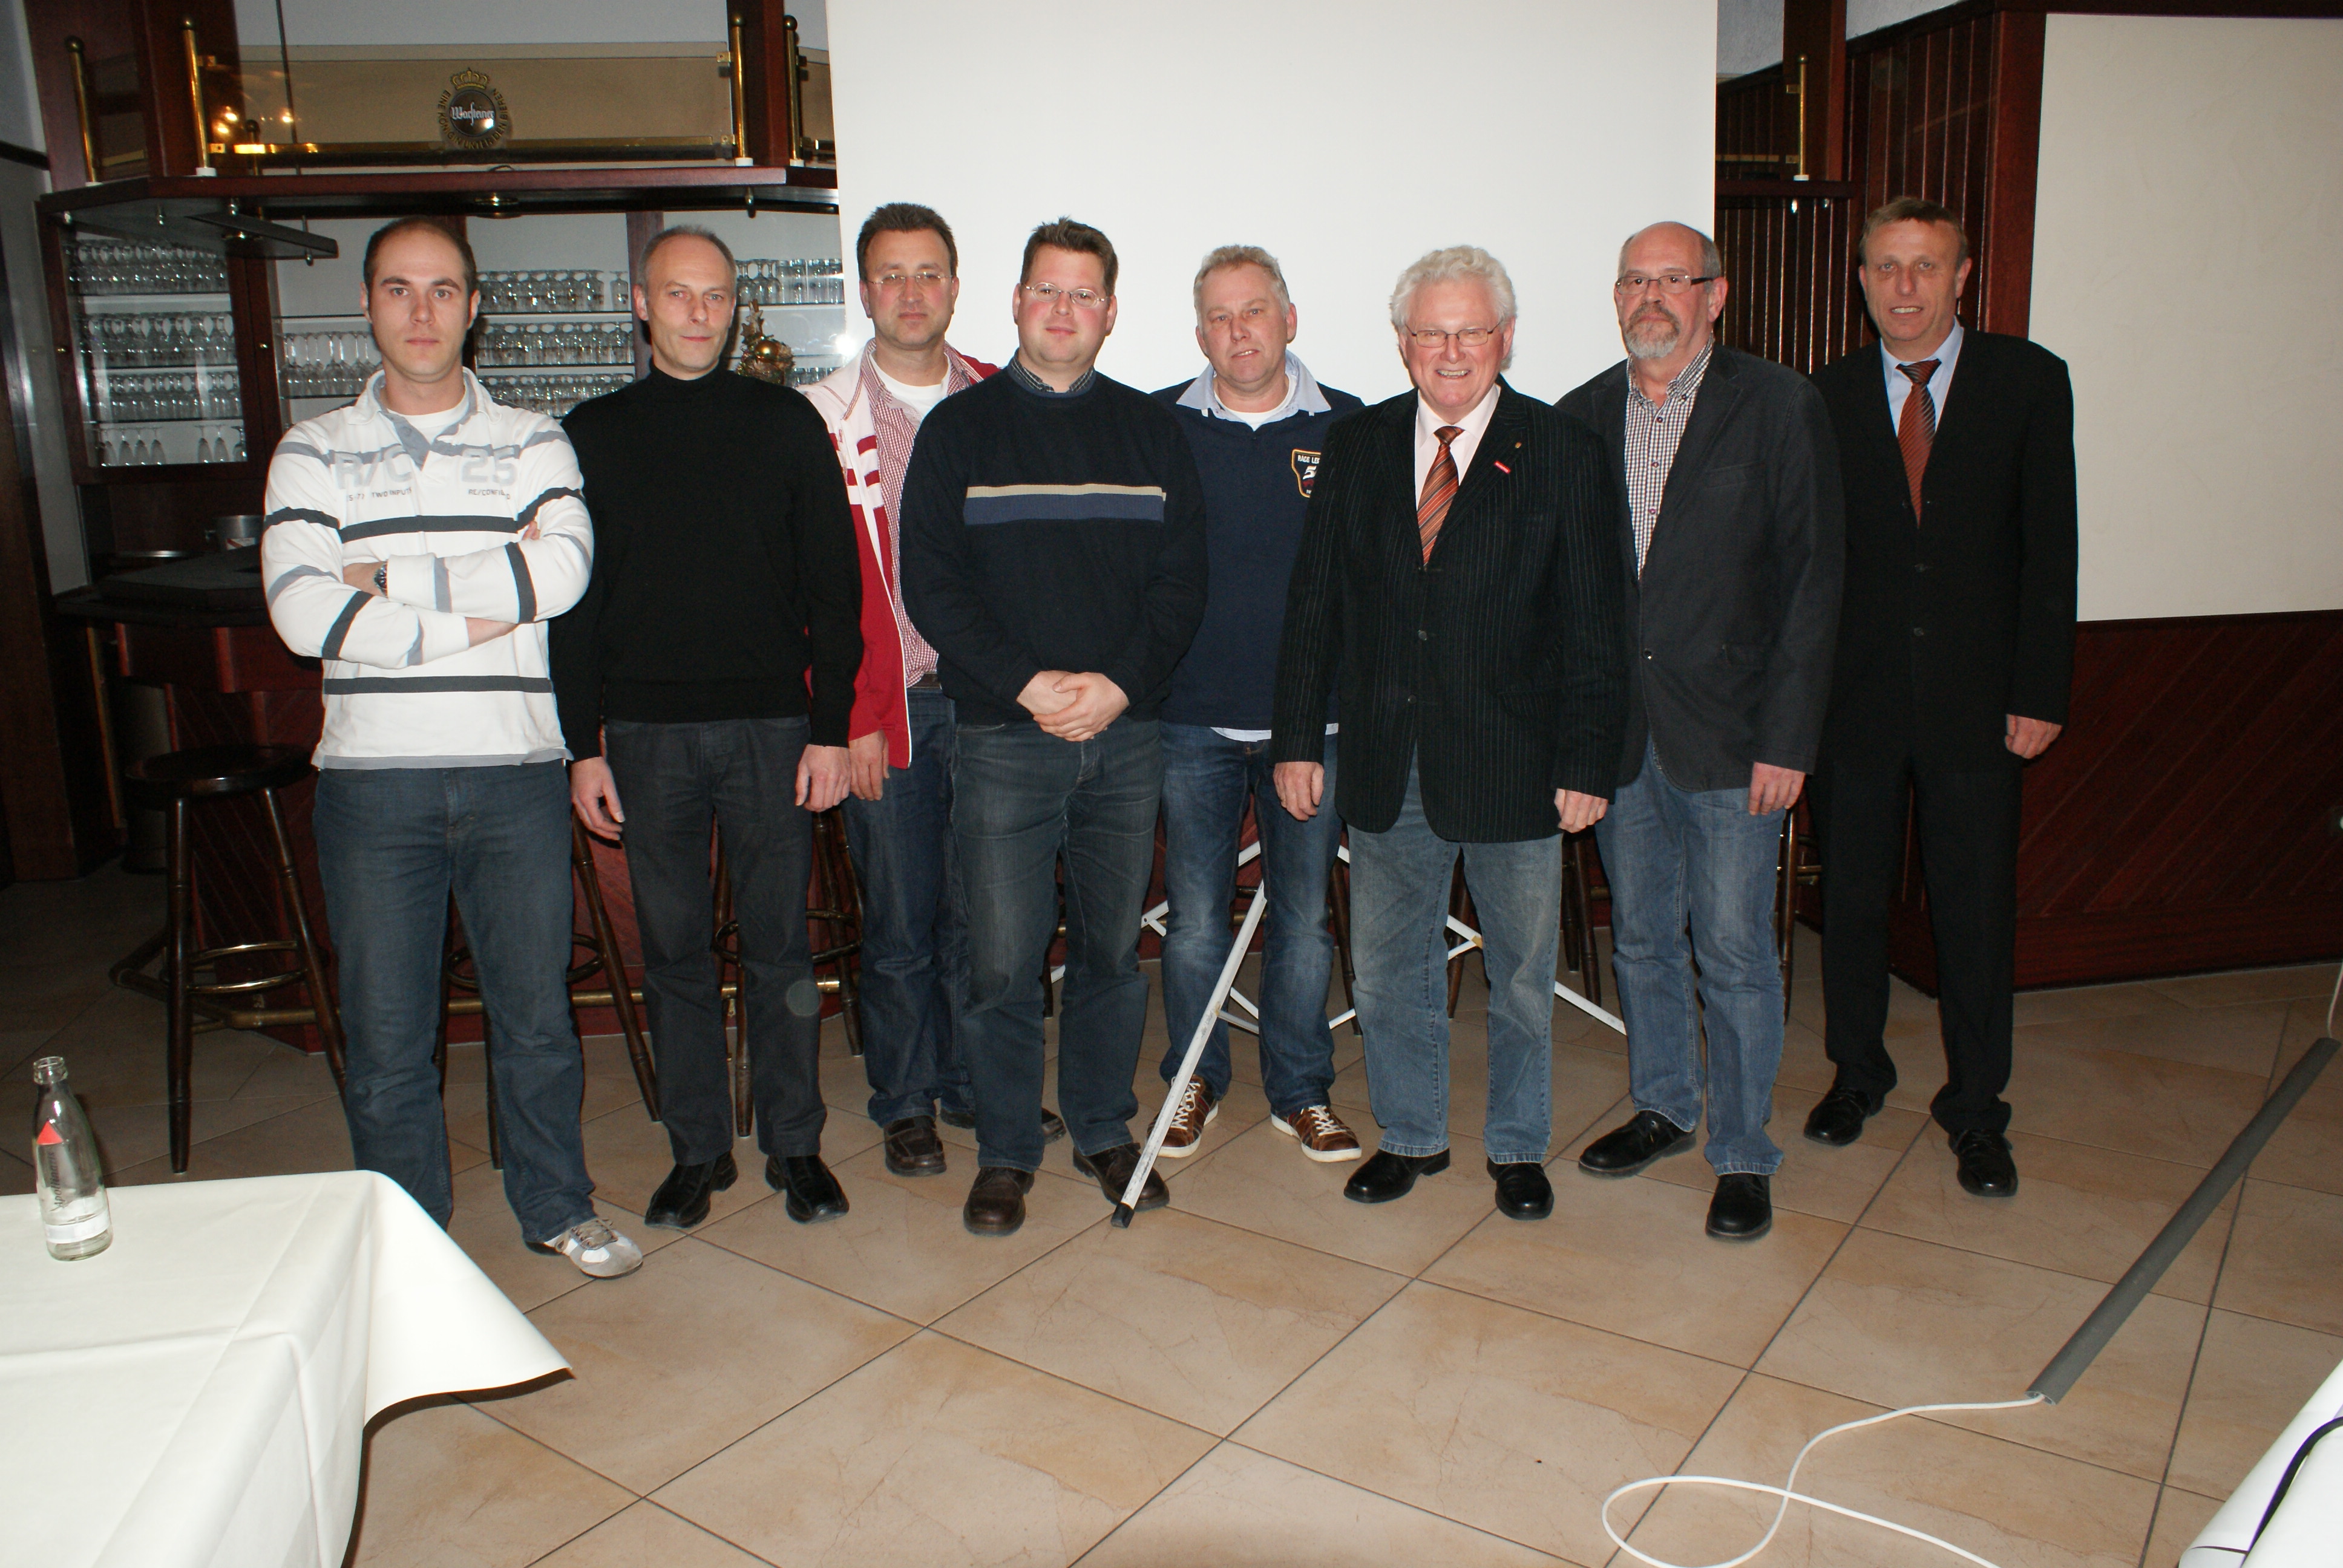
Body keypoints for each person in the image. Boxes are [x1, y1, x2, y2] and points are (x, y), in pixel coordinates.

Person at [261, 217, 641, 1278]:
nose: (421, 311)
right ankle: (409, 1249)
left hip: (514, 773)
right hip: (370, 786)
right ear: (369, 304)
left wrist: (386, 582)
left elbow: (561, 575)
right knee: (389, 1041)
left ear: (475, 307)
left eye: (442, 290)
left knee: (536, 1021)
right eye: (399, 289)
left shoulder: (533, 438)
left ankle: (556, 1206)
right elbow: (302, 614)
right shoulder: (311, 450)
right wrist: (484, 606)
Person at [1273, 246, 1627, 1221]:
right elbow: (1314, 606)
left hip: (1521, 765)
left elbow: (1598, 623)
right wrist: (1297, 738)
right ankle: (1412, 1136)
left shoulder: (1561, 448)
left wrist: (1589, 760)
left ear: (1505, 337)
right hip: (1390, 762)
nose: (1452, 350)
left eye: (1471, 330)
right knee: (1390, 969)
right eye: (1431, 331)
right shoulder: (1357, 444)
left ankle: (1517, 1146)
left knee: (1520, 976)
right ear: (1403, 343)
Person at [900, 217, 1208, 1237]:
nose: (1063, 310)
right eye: (1046, 290)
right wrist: (1029, 685)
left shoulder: (1153, 431)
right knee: (1001, 964)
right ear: (1017, 302)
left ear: (1110, 313)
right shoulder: (960, 430)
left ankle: (1103, 1128)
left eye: (1083, 294)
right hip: (1002, 737)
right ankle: (1004, 1150)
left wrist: (1117, 686)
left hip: (1126, 736)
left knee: (1113, 954)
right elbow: (933, 586)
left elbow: (1182, 583)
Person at [553, 226, 863, 1229]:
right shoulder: (590, 434)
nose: (700, 313)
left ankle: (794, 1144)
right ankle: (697, 1150)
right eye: (679, 294)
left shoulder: (786, 424)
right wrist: (583, 744)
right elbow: (574, 607)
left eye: (717, 296)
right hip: (645, 735)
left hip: (773, 728)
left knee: (780, 952)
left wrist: (829, 729)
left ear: (738, 307)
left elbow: (835, 588)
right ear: (642, 304)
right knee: (675, 954)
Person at [1561, 222, 1844, 1242]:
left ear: (1714, 296)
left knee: (1732, 950)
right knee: (1640, 937)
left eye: (1672, 280)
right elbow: (1572, 593)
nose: (1651, 297)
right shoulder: (1581, 415)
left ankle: (1743, 1150)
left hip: (1735, 739)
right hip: (1622, 738)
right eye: (1634, 280)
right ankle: (1666, 1107)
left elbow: (1813, 581)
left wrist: (1790, 739)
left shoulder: (1778, 406)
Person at [1806, 197, 2076, 1197]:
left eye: (1925, 265)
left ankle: (1976, 1109)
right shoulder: (1826, 394)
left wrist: (2040, 689)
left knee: (1974, 912)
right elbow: (1810, 560)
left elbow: (2052, 545)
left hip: (1980, 704)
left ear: (1963, 277)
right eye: (1886, 266)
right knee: (1852, 904)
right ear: (1862, 281)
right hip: (1854, 703)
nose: (1905, 286)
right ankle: (1857, 1075)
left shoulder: (2028, 380)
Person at [802, 204, 1072, 1178]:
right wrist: (854, 715)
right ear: (864, 290)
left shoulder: (1003, 397)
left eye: (928, 274)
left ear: (956, 288)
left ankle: (974, 1085)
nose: (911, 293)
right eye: (891, 274)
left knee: (989, 918)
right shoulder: (822, 417)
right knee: (902, 921)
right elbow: (818, 586)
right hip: (894, 707)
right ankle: (906, 1099)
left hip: (997, 701)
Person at [1149, 245, 1365, 1163]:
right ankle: (1193, 1079)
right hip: (1191, 719)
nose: (1240, 331)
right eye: (1221, 317)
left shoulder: (1351, 428)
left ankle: (1302, 1089)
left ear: (1289, 319)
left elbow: (1366, 579)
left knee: (1304, 920)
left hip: (1312, 726)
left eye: (1255, 311)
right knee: (1196, 921)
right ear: (1201, 334)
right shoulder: (1158, 426)